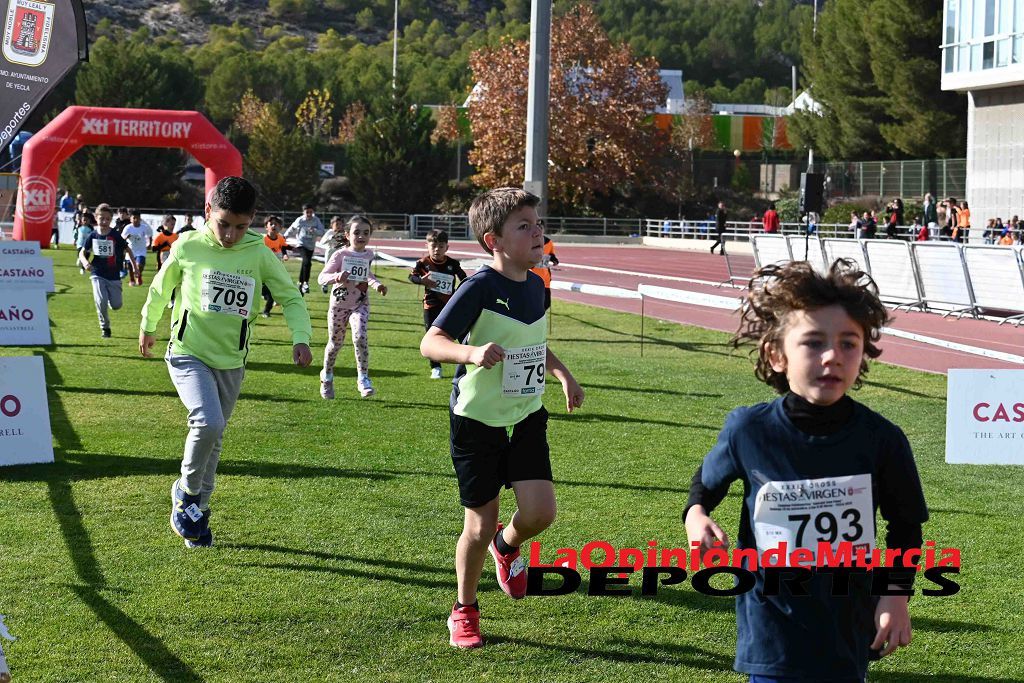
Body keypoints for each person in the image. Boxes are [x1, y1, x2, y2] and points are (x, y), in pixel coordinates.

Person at [683, 259, 929, 683]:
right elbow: (706, 484)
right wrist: (696, 514)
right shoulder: (750, 429)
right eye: (813, 343)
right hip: (771, 623)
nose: (832, 356)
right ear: (777, 355)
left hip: (847, 623)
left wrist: (895, 595)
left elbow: (905, 525)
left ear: (863, 353)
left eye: (848, 343)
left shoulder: (882, 438)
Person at [419, 187, 585, 649]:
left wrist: (563, 375)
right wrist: (469, 351)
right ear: (494, 241)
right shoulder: (479, 287)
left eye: (538, 223)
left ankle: (507, 548)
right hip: (478, 420)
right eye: (524, 226)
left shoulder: (536, 284)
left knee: (540, 513)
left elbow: (532, 341)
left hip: (527, 412)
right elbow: (431, 342)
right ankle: (465, 608)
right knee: (477, 526)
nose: (538, 232)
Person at [138, 176, 313, 548]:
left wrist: (301, 337)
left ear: (252, 221)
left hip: (232, 360)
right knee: (208, 421)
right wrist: (148, 325)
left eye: (241, 226)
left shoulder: (259, 254)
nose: (231, 235)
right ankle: (184, 494)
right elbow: (160, 287)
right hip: (188, 352)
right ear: (207, 212)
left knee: (215, 438)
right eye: (223, 224)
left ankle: (198, 512)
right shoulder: (187, 245)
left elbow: (291, 298)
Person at [316, 215, 387, 399]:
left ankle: (363, 378)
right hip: (339, 305)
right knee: (335, 344)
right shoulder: (340, 255)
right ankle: (327, 376)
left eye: (366, 233)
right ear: (347, 235)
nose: (361, 236)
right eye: (357, 232)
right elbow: (321, 277)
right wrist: (337, 277)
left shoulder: (369, 255)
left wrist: (377, 284)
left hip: (360, 304)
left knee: (360, 337)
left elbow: (367, 274)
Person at [409, 229, 468, 379]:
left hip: (450, 304)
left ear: (447, 248)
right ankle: (435, 367)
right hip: (431, 305)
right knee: (431, 336)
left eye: (441, 246)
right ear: (427, 246)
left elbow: (464, 278)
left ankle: (468, 361)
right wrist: (422, 280)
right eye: (433, 246)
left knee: (461, 332)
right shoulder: (422, 263)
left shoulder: (452, 264)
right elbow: (411, 277)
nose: (437, 249)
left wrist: (462, 292)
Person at [77, 203, 139, 338]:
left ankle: (110, 301)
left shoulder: (115, 235)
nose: (104, 222)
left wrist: (135, 267)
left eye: (107, 219)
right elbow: (82, 253)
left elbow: (127, 249)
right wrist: (85, 262)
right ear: (96, 218)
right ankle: (105, 328)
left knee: (117, 305)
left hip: (114, 275)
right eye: (101, 218)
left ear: (111, 219)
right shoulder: (93, 235)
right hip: (97, 272)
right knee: (100, 301)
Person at [284, 203, 325, 295]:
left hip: (311, 245)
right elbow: (292, 228)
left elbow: (322, 232)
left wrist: (314, 231)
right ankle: (305, 283)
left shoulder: (316, 220)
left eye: (311, 212)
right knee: (307, 262)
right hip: (301, 244)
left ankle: (300, 283)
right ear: (303, 212)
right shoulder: (300, 220)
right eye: (307, 212)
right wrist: (284, 236)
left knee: (305, 264)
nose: (309, 214)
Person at [261, 215, 289, 317]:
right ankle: (264, 295)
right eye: (271, 224)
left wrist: (285, 255)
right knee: (263, 290)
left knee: (272, 292)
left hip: (275, 270)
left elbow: (284, 248)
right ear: (266, 227)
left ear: (280, 227)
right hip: (263, 269)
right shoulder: (262, 239)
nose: (274, 226)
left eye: (276, 224)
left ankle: (266, 311)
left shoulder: (281, 238)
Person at [122, 209, 154, 286]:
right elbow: (122, 238)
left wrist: (149, 244)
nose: (136, 220)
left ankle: (139, 276)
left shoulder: (144, 227)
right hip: (130, 250)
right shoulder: (128, 228)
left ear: (140, 219)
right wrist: (127, 237)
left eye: (137, 218)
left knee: (140, 265)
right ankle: (132, 279)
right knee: (130, 267)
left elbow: (150, 234)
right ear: (130, 219)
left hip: (141, 250)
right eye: (134, 218)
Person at [317, 216, 349, 293]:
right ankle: (324, 284)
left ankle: (339, 287)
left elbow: (348, 243)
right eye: (336, 224)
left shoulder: (344, 233)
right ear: (332, 225)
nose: (338, 226)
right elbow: (322, 242)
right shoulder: (330, 232)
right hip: (330, 253)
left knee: (339, 270)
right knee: (328, 270)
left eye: (340, 224)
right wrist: (331, 237)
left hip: (340, 255)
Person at [529, 235, 560, 310]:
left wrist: (554, 260)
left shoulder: (549, 242)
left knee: (546, 303)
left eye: (541, 226)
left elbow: (551, 254)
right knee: (533, 302)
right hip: (532, 277)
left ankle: (539, 317)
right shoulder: (530, 241)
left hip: (545, 278)